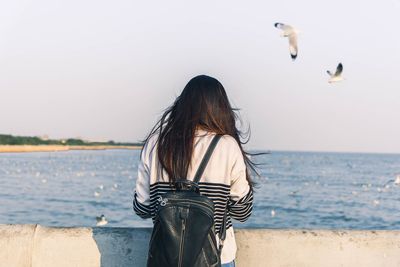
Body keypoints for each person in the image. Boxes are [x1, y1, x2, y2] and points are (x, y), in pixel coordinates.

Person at [133, 75, 256, 266]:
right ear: (220, 108)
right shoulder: (227, 145)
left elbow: (142, 208)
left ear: (182, 104)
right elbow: (242, 212)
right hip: (216, 257)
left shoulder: (155, 143)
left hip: (165, 257)